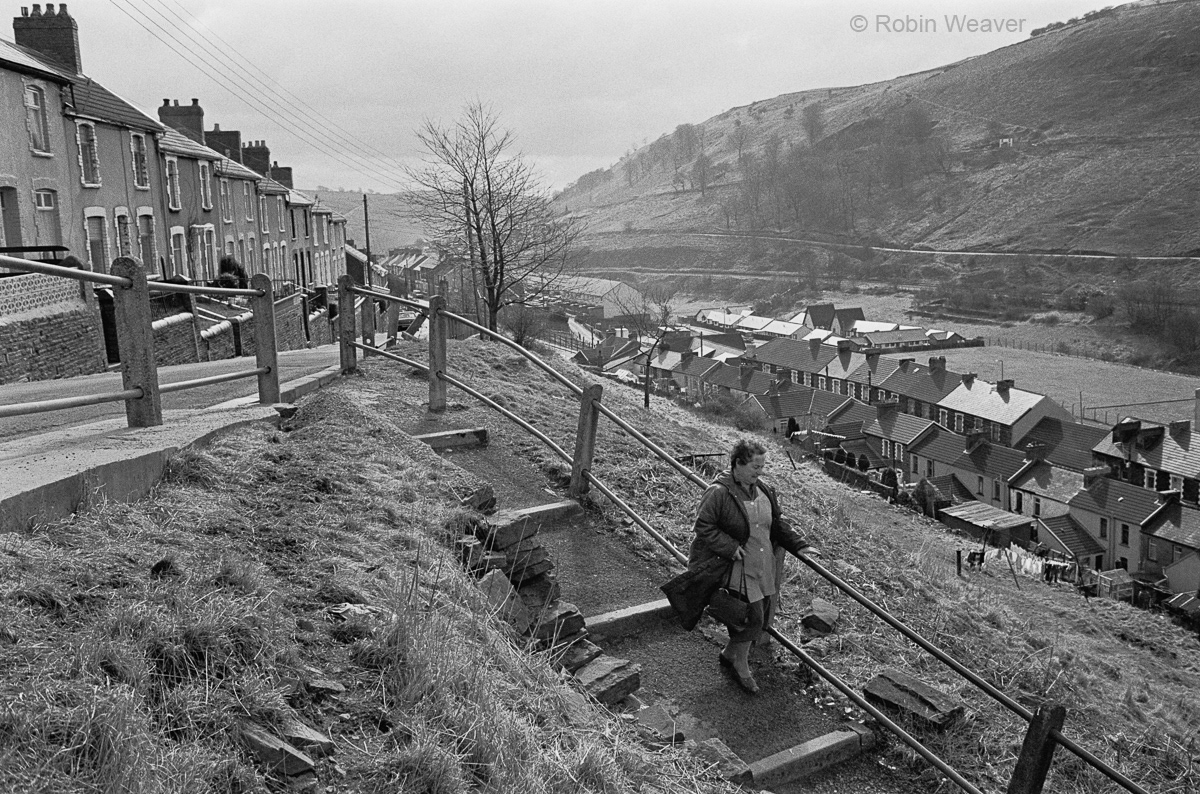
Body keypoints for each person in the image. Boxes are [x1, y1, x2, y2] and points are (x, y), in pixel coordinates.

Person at [689, 438, 814, 694]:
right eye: (755, 466)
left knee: (760, 615)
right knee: (753, 618)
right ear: (738, 464)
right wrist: (729, 546)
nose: (760, 471)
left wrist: (800, 545)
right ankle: (741, 665)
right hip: (736, 567)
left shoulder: (765, 489)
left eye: (762, 466)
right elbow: (703, 526)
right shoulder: (719, 492)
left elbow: (777, 523)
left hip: (762, 563)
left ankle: (729, 653)